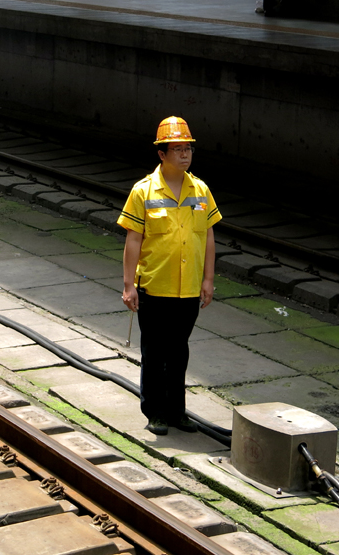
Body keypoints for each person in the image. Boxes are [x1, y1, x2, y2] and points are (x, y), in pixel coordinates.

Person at [117, 116, 222, 436]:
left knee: (179, 352)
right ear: (161, 154)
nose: (185, 154)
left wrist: (207, 280)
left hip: (188, 289)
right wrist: (128, 285)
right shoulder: (143, 191)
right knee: (154, 352)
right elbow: (133, 240)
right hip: (154, 287)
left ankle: (177, 411)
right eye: (177, 149)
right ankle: (155, 412)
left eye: (188, 148)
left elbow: (208, 237)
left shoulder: (201, 190)